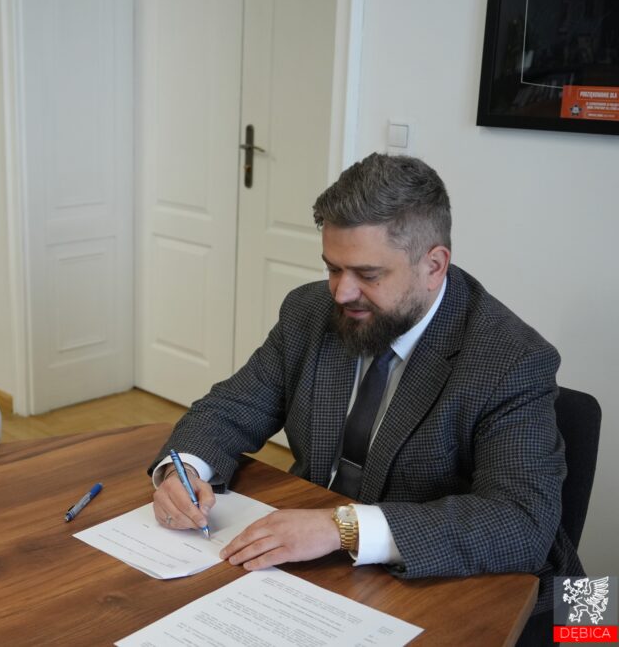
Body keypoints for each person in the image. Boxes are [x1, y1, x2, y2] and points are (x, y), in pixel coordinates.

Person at [149, 153, 581, 627]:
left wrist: (343, 528)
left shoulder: (513, 358)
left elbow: (521, 523)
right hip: (324, 571)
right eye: (332, 268)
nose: (341, 292)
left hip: (484, 586)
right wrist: (183, 469)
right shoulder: (310, 311)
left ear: (434, 265)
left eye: (367, 275)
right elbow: (231, 407)